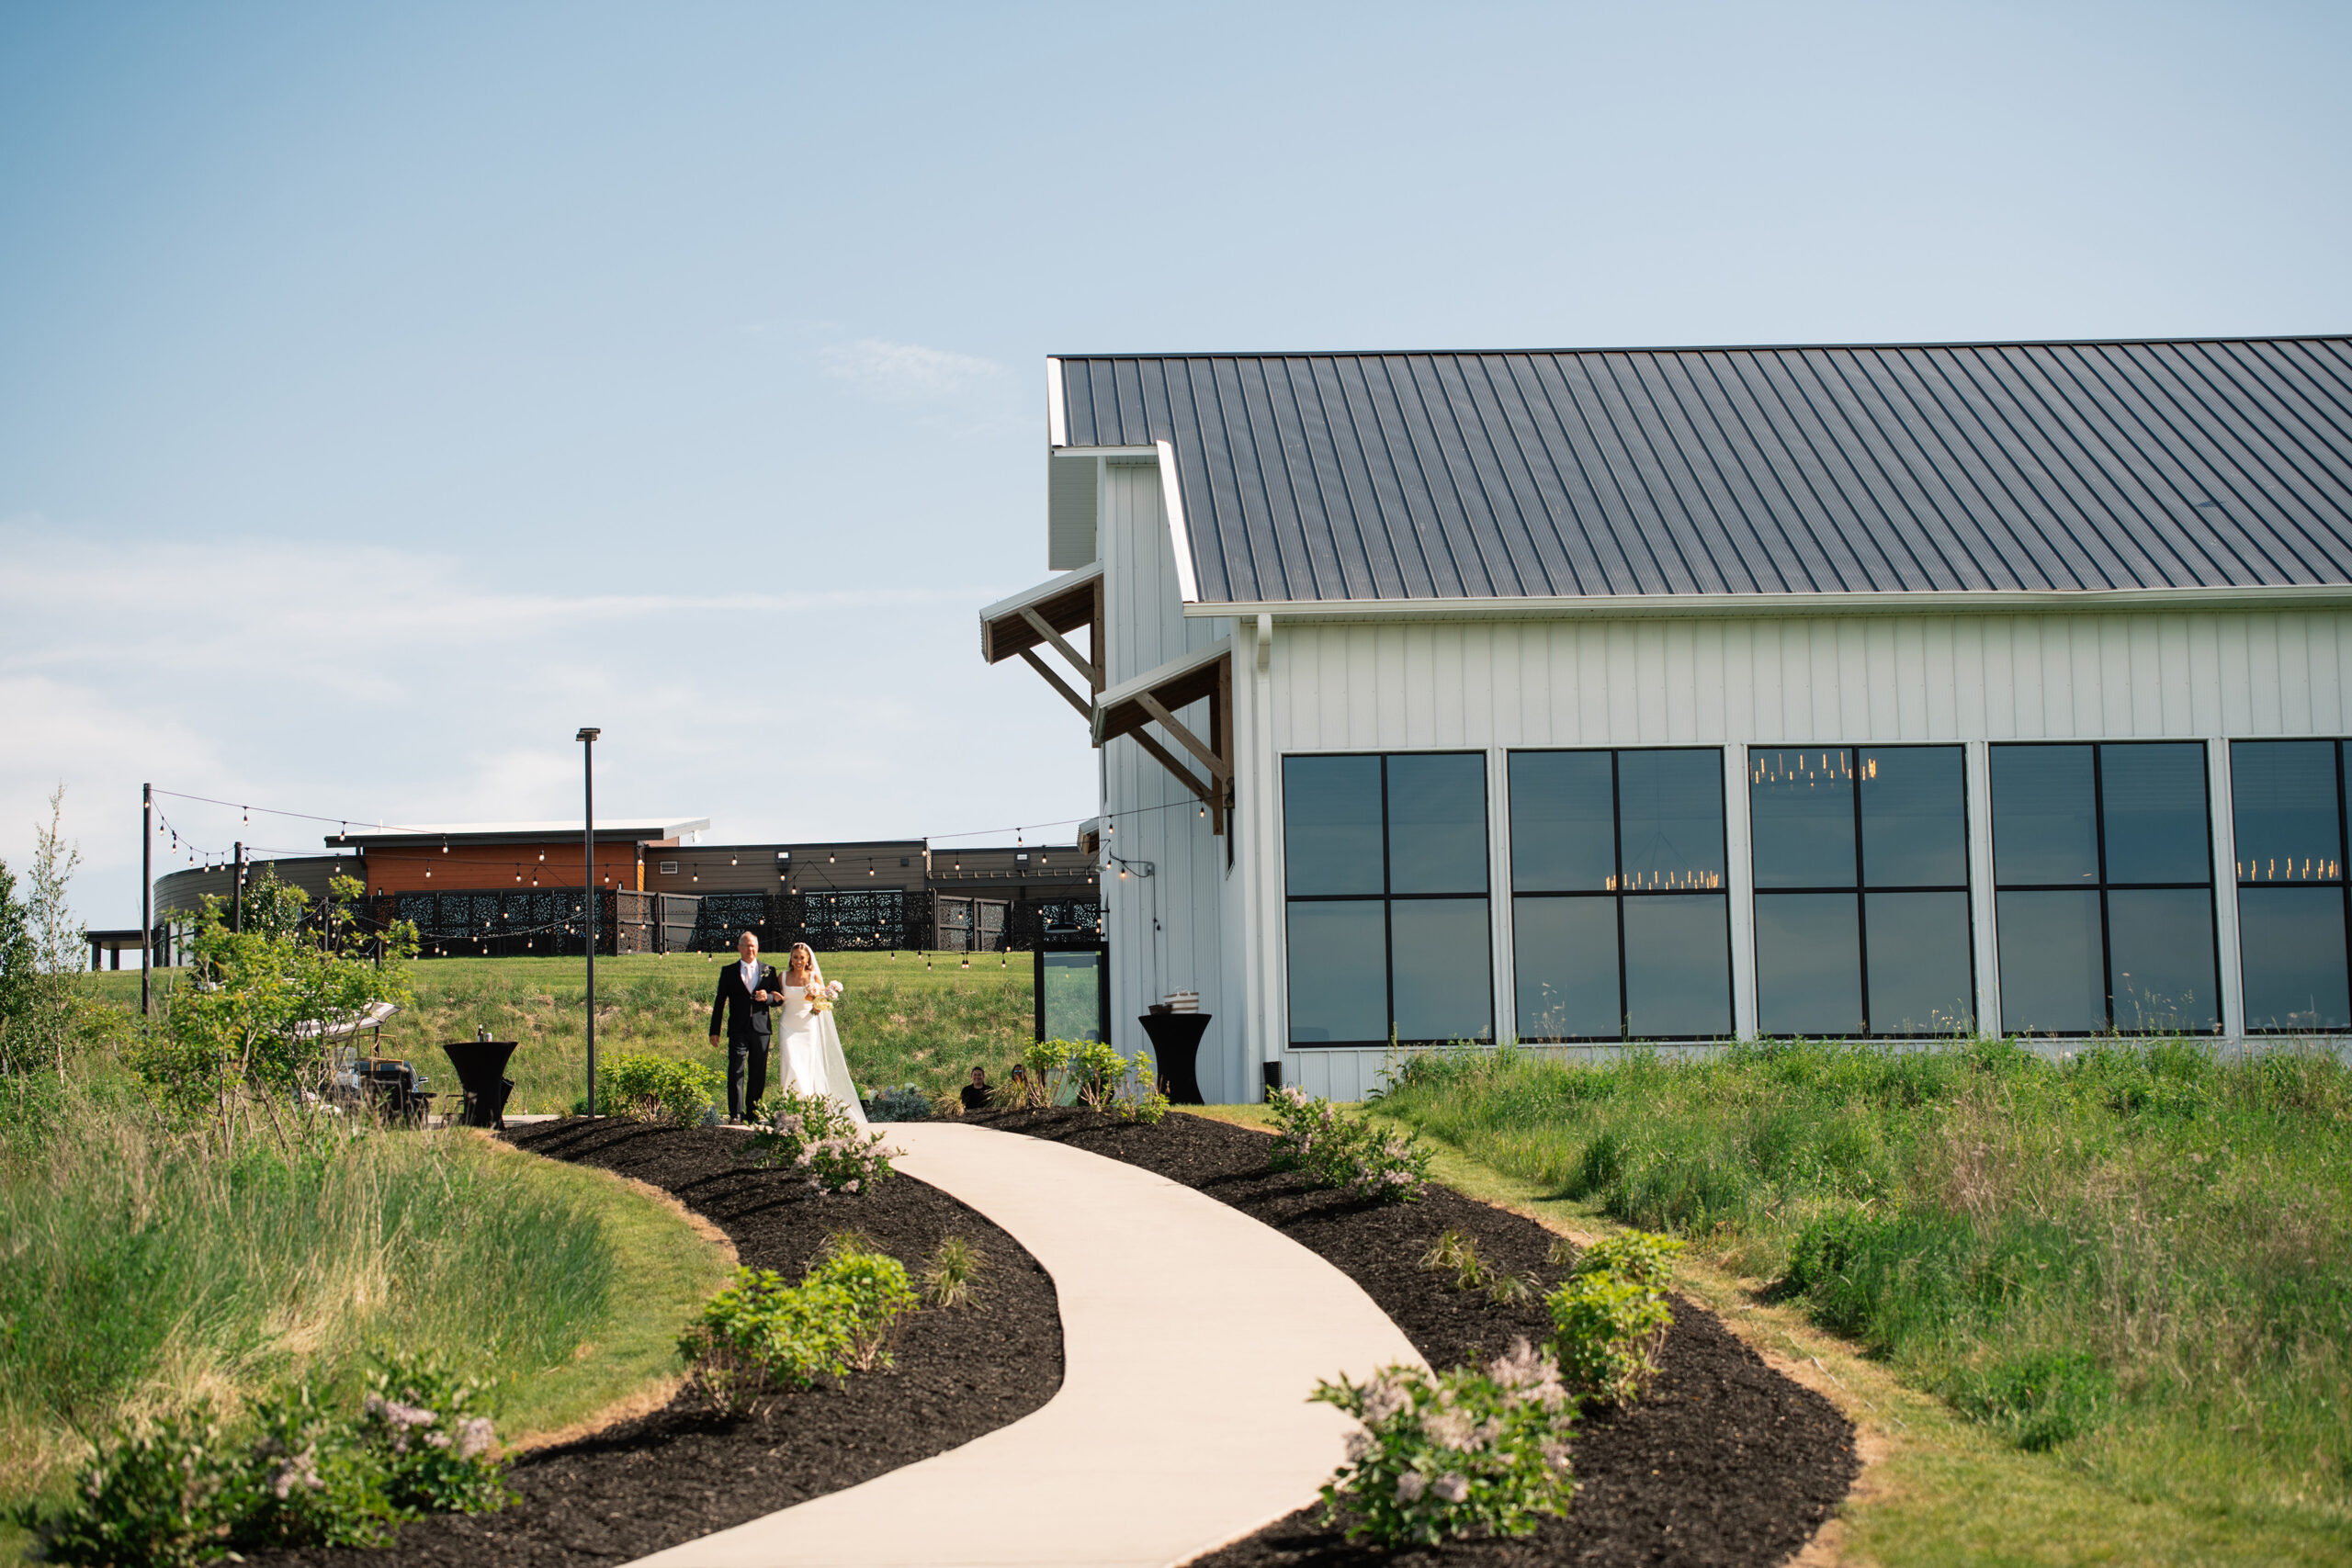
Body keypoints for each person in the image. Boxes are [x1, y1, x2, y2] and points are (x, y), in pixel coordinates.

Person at [775, 942, 870, 1127]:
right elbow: (776, 996)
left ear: (808, 959)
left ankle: (807, 1107)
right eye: (795, 957)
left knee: (806, 1066)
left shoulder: (813, 977)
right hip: (788, 1025)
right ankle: (790, 1106)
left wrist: (820, 1006)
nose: (798, 961)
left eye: (802, 958)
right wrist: (774, 995)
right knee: (790, 1063)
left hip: (807, 1026)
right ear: (791, 958)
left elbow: (822, 1000)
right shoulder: (783, 976)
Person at [708, 931, 782, 1121]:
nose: (750, 949)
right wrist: (714, 1031)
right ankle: (735, 1113)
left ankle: (753, 1112)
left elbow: (778, 998)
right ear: (739, 948)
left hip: (761, 1029)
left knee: (758, 1071)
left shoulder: (768, 970)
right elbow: (719, 1002)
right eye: (747, 945)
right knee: (735, 1070)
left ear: (758, 948)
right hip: (738, 1029)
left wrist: (768, 998)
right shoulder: (729, 971)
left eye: (753, 946)